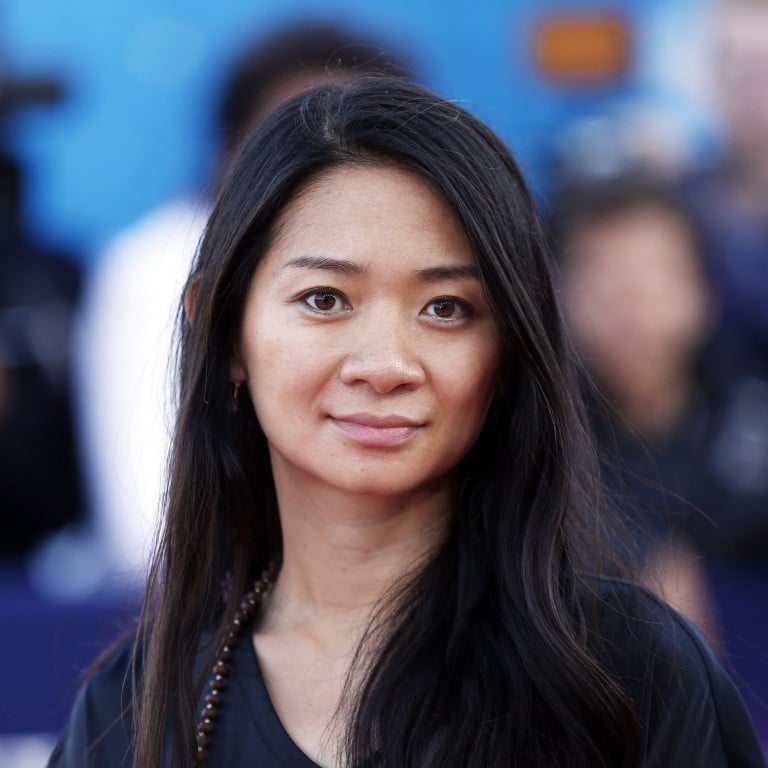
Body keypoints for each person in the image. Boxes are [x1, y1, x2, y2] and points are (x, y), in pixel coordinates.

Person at [47, 78, 766, 768]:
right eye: (325, 299)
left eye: (446, 309)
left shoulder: (628, 674)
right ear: (225, 330)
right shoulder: (130, 711)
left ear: (509, 352)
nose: (385, 364)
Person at [68, 22, 413, 589]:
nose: (335, 160)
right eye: (320, 301)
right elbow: (149, 526)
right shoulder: (158, 262)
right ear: (230, 153)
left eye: (446, 307)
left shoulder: (463, 247)